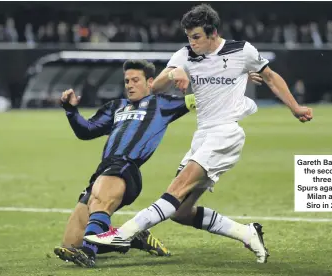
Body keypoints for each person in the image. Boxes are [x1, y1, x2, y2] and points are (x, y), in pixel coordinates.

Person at [84, 4, 313, 265]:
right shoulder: (185, 55)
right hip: (202, 136)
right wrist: (174, 71)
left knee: (176, 189)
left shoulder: (242, 51)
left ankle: (122, 234)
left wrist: (295, 107)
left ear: (213, 33)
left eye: (196, 37)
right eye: (188, 37)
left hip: (226, 133)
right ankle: (246, 232)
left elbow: (270, 77)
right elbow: (155, 87)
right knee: (181, 212)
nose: (191, 43)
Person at [55, 59, 263, 268]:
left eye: (136, 80)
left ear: (150, 82)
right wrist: (71, 110)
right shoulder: (115, 107)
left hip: (126, 167)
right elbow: (87, 131)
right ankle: (134, 238)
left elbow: (207, 96)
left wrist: (239, 76)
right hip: (103, 171)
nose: (129, 85)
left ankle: (89, 255)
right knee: (71, 242)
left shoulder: (163, 103)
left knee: (100, 204)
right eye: (127, 80)